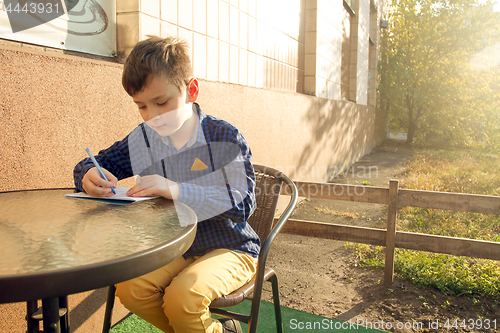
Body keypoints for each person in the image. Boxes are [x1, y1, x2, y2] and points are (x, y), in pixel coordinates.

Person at [73, 36, 260, 333]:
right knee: (130, 288)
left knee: (182, 298)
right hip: (173, 248)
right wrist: (88, 173)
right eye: (141, 106)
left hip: (231, 247)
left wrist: (175, 189)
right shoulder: (145, 138)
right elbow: (99, 162)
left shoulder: (222, 137)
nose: (153, 117)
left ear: (191, 91)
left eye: (162, 103)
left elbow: (243, 202)